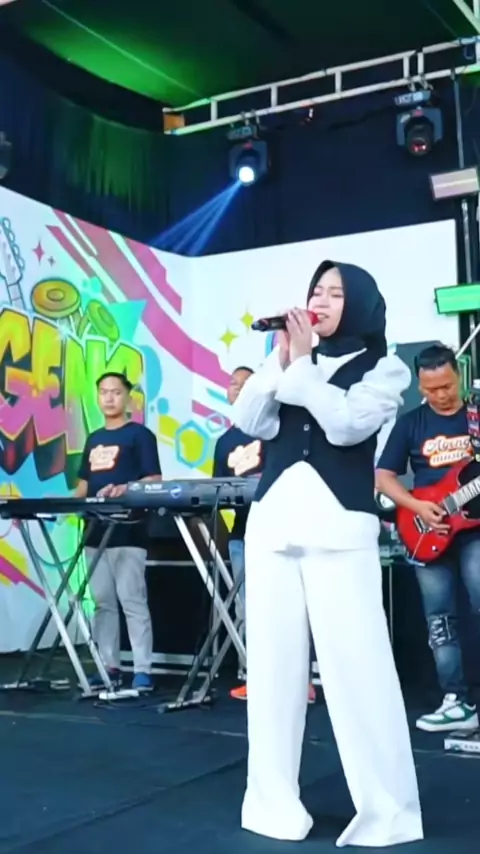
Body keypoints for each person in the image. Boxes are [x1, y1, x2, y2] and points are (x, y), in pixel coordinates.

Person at [232, 260, 423, 847]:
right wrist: (283, 359)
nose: (320, 300)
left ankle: (387, 811)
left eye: (336, 293)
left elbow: (345, 427)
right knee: (271, 675)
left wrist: (303, 369)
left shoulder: (385, 367)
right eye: (316, 290)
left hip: (339, 529)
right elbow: (249, 420)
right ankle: (271, 805)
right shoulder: (290, 357)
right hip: (272, 525)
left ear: (360, 303)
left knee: (359, 673)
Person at [376, 344, 480, 733]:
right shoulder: (411, 423)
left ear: (459, 377)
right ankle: (455, 701)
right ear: (420, 386)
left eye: (447, 386)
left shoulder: (475, 416)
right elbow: (383, 476)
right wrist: (417, 507)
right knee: (440, 620)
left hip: (474, 529)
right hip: (424, 530)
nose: (441, 395)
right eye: (431, 389)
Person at [213, 367, 317, 703]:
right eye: (234, 384)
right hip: (242, 534)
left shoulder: (274, 429)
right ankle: (257, 678)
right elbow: (216, 490)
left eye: (246, 384)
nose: (238, 389)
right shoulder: (225, 441)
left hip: (282, 530)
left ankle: (301, 681)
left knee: (290, 608)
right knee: (249, 611)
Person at [75, 372, 162, 692]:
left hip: (129, 530)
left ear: (127, 398)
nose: (109, 398)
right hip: (95, 532)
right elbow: (83, 485)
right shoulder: (93, 438)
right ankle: (108, 666)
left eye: (115, 392)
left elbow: (154, 480)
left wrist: (125, 489)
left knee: (132, 600)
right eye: (103, 392)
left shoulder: (140, 435)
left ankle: (142, 669)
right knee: (102, 603)